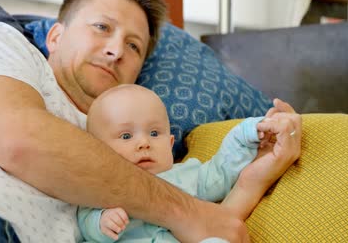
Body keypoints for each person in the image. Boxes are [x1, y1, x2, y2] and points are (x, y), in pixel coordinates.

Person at [0, 0, 302, 242]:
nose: (116, 50)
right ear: (55, 36)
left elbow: (206, 216)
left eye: (134, 46)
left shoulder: (131, 142)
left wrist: (261, 168)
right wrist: (186, 213)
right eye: (102, 27)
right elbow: (19, 142)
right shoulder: (2, 43)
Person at [78, 84, 272, 242]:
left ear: (170, 144)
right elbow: (85, 221)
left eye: (154, 133)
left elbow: (221, 171)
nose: (144, 143)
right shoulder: (102, 188)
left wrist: (245, 134)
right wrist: (101, 223)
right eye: (126, 136)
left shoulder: (187, 174)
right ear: (99, 151)